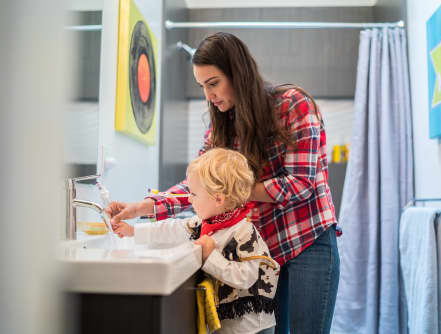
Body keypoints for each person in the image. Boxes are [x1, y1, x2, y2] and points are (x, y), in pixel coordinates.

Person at [107, 32, 340, 334]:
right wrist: (145, 206)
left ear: (238, 74)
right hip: (263, 249)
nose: (208, 95)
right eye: (202, 86)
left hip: (307, 240)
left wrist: (231, 188)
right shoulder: (220, 126)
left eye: (213, 83)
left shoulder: (293, 104)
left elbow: (300, 183)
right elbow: (199, 186)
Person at [112, 148, 279, 334]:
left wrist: (210, 257)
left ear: (218, 199)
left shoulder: (244, 233)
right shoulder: (206, 222)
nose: (189, 199)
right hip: (229, 324)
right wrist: (133, 231)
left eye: (194, 194)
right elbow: (173, 228)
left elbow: (246, 278)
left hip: (251, 327)